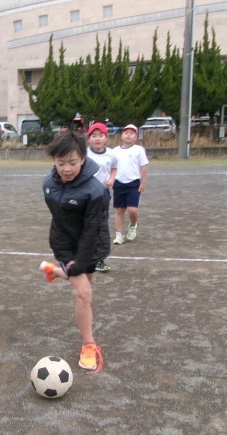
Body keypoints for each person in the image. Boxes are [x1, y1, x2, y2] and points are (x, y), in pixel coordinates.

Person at [41, 132, 105, 373]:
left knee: (85, 284)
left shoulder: (95, 190)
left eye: (72, 163)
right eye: (61, 163)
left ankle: (55, 271)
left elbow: (92, 228)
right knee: (84, 294)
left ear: (83, 159)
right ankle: (89, 345)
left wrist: (82, 259)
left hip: (91, 242)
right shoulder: (48, 185)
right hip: (65, 244)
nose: (66, 169)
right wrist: (68, 256)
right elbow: (59, 220)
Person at [86, 122, 117, 273]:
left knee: (101, 226)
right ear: (89, 139)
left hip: (103, 194)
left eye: (101, 135)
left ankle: (99, 259)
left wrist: (112, 179)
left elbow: (114, 168)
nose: (97, 139)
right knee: (87, 225)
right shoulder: (84, 154)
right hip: (86, 194)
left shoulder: (111, 154)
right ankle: (85, 255)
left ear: (106, 138)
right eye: (94, 136)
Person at [112, 124, 149, 245]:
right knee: (119, 211)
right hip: (118, 183)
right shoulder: (115, 151)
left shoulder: (139, 150)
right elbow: (111, 167)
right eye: (126, 133)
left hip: (133, 184)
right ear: (122, 135)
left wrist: (143, 183)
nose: (128, 135)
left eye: (132, 133)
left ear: (136, 137)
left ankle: (133, 226)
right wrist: (111, 180)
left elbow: (143, 167)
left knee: (132, 210)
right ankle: (119, 235)